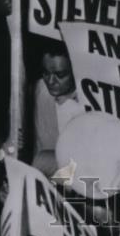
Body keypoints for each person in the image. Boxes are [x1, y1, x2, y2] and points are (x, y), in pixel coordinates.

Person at [31, 44, 83, 178]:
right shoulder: (40, 89)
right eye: (46, 73)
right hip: (44, 176)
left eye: (60, 74)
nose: (50, 81)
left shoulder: (90, 102)